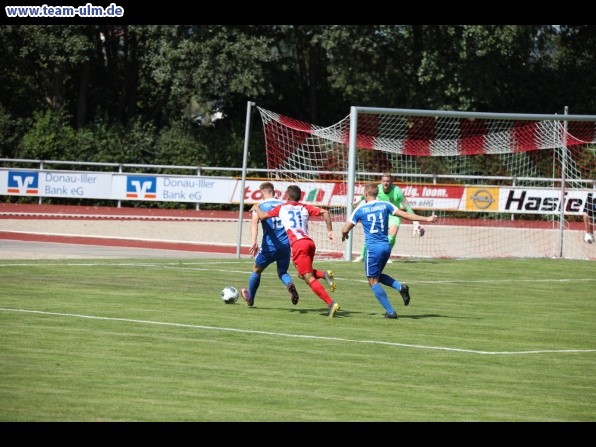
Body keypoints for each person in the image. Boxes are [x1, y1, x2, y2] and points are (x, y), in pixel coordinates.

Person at [341, 182, 437, 319]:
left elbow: (345, 228)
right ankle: (400, 287)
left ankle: (390, 311)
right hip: (386, 247)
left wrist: (344, 234)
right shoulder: (385, 205)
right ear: (376, 193)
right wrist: (426, 218)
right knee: (378, 275)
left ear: (365, 194)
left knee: (372, 281)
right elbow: (405, 215)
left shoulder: (360, 209)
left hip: (373, 249)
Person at [251, 184, 340, 318]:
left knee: (308, 278)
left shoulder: (282, 208)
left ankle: (331, 303)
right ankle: (324, 274)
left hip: (298, 245)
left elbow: (263, 217)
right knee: (301, 273)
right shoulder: (304, 207)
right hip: (309, 243)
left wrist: (256, 207)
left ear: (287, 195)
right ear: (300, 196)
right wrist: (330, 231)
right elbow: (325, 212)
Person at [241, 182, 299, 307]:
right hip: (285, 245)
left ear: (262, 192)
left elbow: (254, 224)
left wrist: (253, 242)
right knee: (282, 272)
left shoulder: (259, 206)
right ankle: (289, 284)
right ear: (273, 191)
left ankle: (250, 299)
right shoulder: (284, 205)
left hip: (269, 246)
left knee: (256, 270)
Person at [352, 173, 421, 263]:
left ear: (391, 181)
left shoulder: (397, 191)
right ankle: (362, 256)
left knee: (391, 236)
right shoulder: (378, 188)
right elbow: (368, 193)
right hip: (380, 214)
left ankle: (386, 256)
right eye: (384, 181)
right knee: (372, 235)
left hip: (393, 215)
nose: (386, 183)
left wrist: (415, 222)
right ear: (381, 181)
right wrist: (359, 199)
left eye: (388, 181)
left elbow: (407, 206)